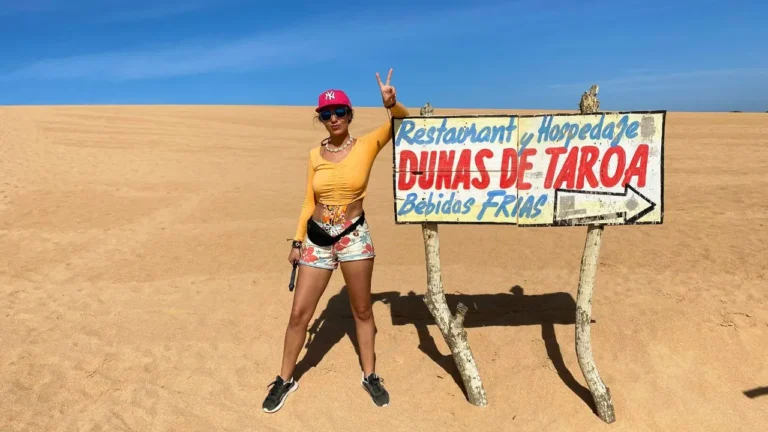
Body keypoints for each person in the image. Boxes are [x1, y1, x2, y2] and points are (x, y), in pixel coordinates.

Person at [262, 69, 410, 413]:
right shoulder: (315, 155)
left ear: (350, 114)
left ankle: (370, 375)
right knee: (299, 314)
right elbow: (307, 201)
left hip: (354, 236)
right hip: (317, 239)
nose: (333, 118)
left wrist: (392, 103)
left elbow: (403, 124)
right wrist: (297, 241)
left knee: (361, 309)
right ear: (321, 119)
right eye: (326, 114)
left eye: (339, 111)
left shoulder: (369, 144)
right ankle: (284, 379)